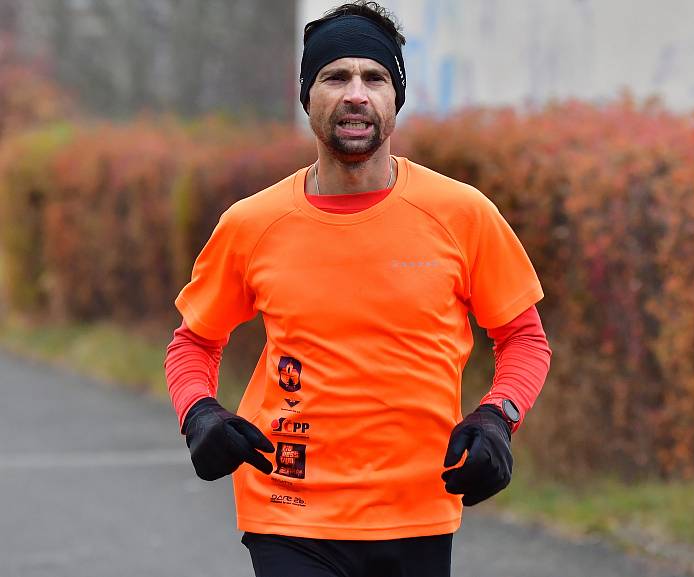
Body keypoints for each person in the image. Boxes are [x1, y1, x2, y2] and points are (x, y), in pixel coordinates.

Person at [164, 2, 552, 576]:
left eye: (373, 77)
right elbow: (193, 342)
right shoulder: (253, 223)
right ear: (307, 98)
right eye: (334, 77)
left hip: (417, 511)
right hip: (288, 510)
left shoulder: (461, 213)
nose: (355, 93)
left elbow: (524, 338)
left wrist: (499, 418)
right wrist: (199, 413)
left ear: (395, 98)